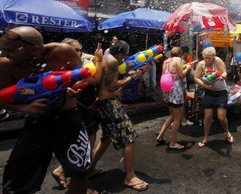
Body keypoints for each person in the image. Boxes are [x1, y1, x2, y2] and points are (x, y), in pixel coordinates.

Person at [0, 27, 102, 194]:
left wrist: (72, 90)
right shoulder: (5, 65)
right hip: (36, 124)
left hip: (69, 120)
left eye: (9, 50)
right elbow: (1, 98)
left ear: (35, 49)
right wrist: (24, 107)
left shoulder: (62, 52)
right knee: (16, 180)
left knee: (81, 171)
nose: (4, 54)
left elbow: (83, 77)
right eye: (3, 49)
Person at [90, 40, 150, 192]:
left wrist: (133, 70)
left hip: (105, 103)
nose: (125, 58)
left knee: (106, 139)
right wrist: (134, 76)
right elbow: (112, 86)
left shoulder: (107, 55)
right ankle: (129, 177)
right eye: (125, 55)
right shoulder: (111, 62)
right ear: (118, 54)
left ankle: (89, 169)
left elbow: (115, 74)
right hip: (109, 104)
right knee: (129, 137)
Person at [51, 38, 106, 189]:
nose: (79, 53)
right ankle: (81, 184)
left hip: (83, 107)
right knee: (86, 143)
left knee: (85, 142)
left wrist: (93, 57)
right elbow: (95, 79)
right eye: (75, 50)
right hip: (78, 108)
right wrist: (99, 61)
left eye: (80, 49)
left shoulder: (73, 62)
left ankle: (67, 172)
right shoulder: (71, 68)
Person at [194, 46, 234, 147]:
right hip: (209, 92)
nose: (207, 60)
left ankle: (227, 132)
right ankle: (206, 138)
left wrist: (223, 76)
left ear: (213, 57)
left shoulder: (217, 61)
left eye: (210, 58)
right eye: (206, 57)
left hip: (221, 92)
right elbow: (196, 78)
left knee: (221, 116)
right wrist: (205, 86)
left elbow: (224, 72)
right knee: (207, 116)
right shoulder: (201, 64)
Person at [156, 47, 192, 149]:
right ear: (180, 54)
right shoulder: (178, 60)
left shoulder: (166, 61)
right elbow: (181, 75)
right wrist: (188, 68)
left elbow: (166, 74)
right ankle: (173, 143)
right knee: (177, 118)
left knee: (172, 115)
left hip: (167, 90)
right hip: (175, 90)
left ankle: (160, 136)